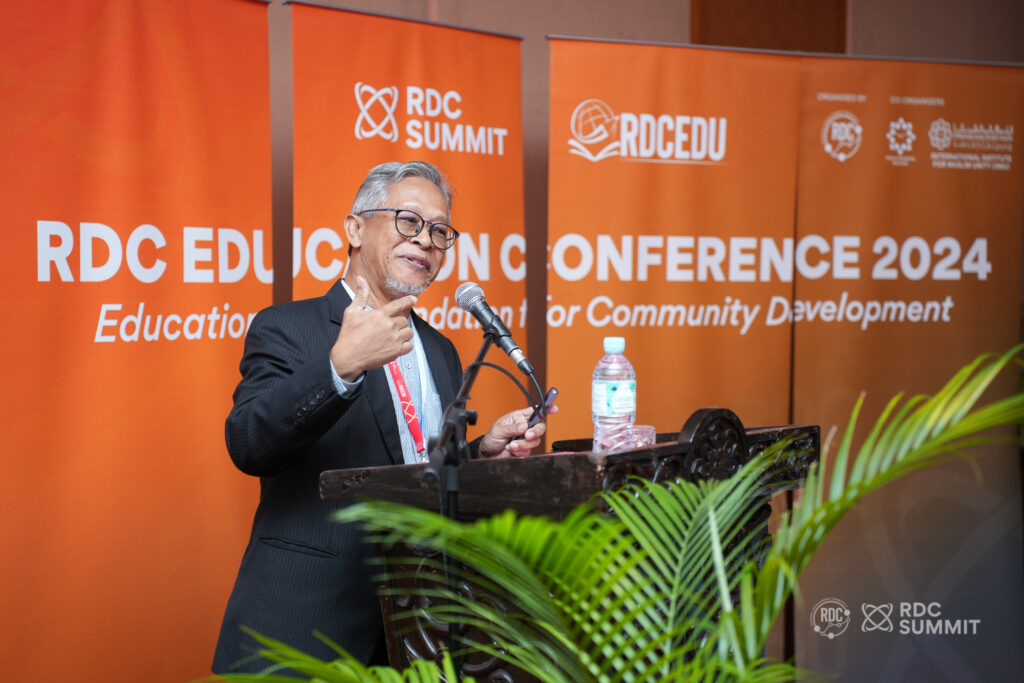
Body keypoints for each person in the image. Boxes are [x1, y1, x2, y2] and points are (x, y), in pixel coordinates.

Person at [211, 161, 547, 673]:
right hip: (307, 628)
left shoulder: (440, 349)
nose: (426, 240)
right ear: (354, 229)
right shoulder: (288, 326)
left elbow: (418, 467)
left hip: (417, 632)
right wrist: (340, 366)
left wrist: (482, 452)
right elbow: (248, 443)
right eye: (408, 221)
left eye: (440, 231)